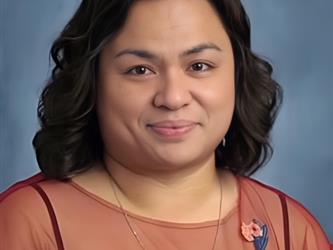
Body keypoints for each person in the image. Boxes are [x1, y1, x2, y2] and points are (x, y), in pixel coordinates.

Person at [0, 0, 331, 249]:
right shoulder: (31, 224)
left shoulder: (290, 230)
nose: (172, 98)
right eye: (140, 69)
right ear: (91, 82)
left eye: (199, 65)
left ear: (238, 76)